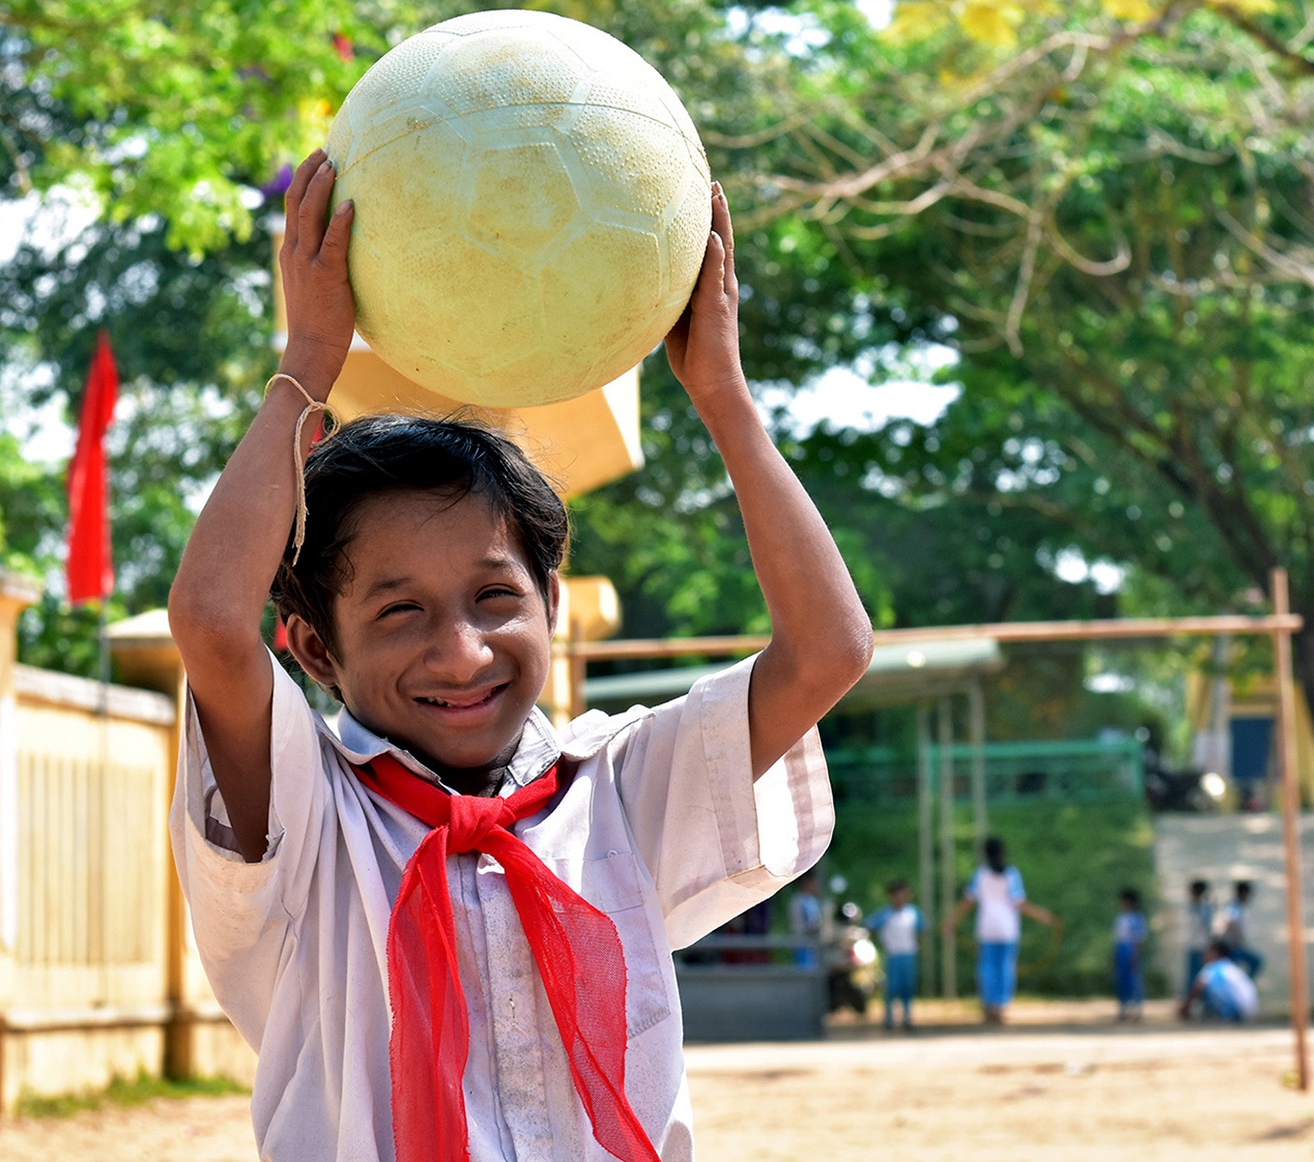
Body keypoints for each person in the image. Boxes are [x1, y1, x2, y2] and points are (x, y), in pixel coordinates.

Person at [165, 149, 874, 1161]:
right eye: (399, 612)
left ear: (551, 602)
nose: (460, 653)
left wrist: (721, 396)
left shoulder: (619, 790)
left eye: (494, 597)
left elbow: (826, 651)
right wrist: (306, 361)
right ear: (316, 646)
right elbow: (212, 623)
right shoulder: (307, 814)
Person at [942, 837, 1060, 1024]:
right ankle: (1002, 1005)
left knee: (987, 967)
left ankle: (990, 1006)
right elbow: (1020, 903)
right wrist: (1046, 917)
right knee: (1005, 967)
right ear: (1003, 852)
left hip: (987, 927)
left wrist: (950, 922)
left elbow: (967, 903)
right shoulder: (1012, 875)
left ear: (984, 854)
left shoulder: (980, 875)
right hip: (1007, 929)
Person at [865, 878, 924, 1030]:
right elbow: (870, 926)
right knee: (891, 988)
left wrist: (917, 944)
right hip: (892, 955)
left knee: (908, 987)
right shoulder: (885, 914)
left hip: (909, 954)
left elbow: (922, 929)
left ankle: (907, 1017)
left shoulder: (913, 913)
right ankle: (889, 1019)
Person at [1179, 939, 1259, 1022]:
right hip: (1249, 1010)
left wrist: (1184, 1009)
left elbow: (1198, 988)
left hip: (1235, 1009)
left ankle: (1221, 1015)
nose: (1204, 955)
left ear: (1215, 953)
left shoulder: (1212, 968)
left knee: (1204, 990)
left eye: (1207, 952)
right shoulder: (1231, 968)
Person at [1113, 886, 1148, 1021]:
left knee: (1134, 980)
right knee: (1122, 980)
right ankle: (1123, 1008)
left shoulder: (1138, 918)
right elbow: (1118, 938)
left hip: (1132, 949)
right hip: (1121, 949)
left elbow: (1140, 939)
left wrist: (1136, 954)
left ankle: (1137, 1009)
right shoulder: (1120, 917)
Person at [1222, 880, 1263, 979]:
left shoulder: (1240, 907)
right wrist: (1237, 940)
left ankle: (1242, 984)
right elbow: (1230, 923)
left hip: (1236, 946)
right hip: (1233, 947)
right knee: (1255, 962)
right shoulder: (1234, 907)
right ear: (1244, 893)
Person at [789, 867, 825, 968]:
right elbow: (798, 925)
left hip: (814, 945)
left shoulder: (813, 901)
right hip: (803, 943)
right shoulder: (798, 901)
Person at [1183, 879, 1213, 993]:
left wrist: (1208, 948)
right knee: (1191, 975)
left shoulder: (1205, 908)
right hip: (1192, 945)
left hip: (1202, 947)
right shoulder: (1191, 906)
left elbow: (1207, 929)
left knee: (1201, 976)